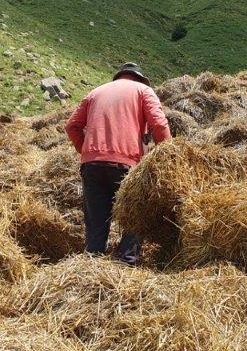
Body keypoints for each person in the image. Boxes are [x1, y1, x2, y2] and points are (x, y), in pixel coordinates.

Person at [65, 62, 172, 265]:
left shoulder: (95, 92)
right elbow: (159, 124)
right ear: (139, 79)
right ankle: (125, 264)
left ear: (119, 77)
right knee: (135, 215)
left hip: (92, 166)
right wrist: (168, 155)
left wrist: (88, 151)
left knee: (96, 222)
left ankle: (91, 267)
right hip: (126, 165)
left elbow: (71, 127)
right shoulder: (144, 90)